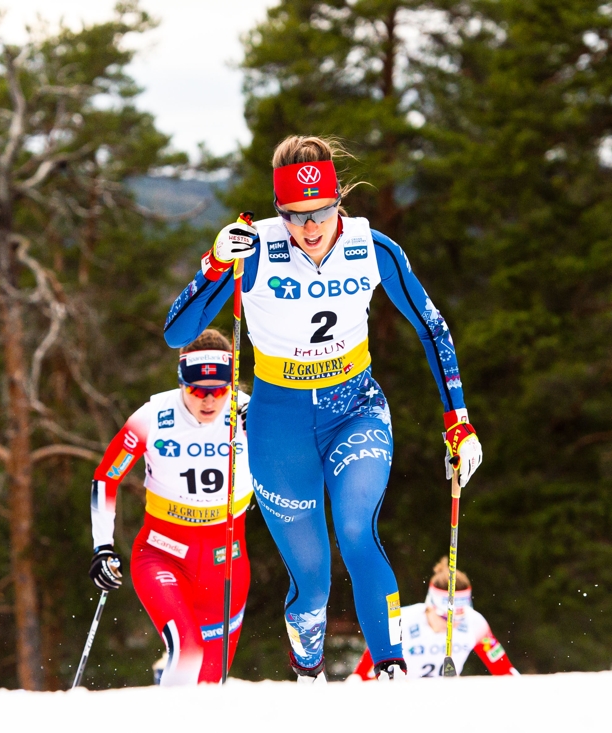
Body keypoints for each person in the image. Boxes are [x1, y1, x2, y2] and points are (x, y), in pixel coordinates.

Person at [164, 136, 482, 682]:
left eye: (323, 211)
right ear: (279, 211)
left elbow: (433, 327)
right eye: (295, 215)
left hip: (354, 409)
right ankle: (307, 666)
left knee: (357, 529)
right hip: (276, 426)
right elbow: (180, 332)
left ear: (340, 201)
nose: (311, 228)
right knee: (312, 579)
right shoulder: (255, 250)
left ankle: (391, 670)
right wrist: (215, 264)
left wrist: (458, 419)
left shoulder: (372, 247)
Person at [88, 329, 252, 686]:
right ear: (182, 382)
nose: (208, 401)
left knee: (210, 682)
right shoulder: (153, 416)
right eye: (197, 391)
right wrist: (103, 547)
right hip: (163, 556)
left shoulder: (248, 413)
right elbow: (106, 478)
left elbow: (296, 466)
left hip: (226, 566)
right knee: (188, 651)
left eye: (219, 391)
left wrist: (266, 434)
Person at [350, 558, 519, 679]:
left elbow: (504, 670)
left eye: (458, 617)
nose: (451, 624)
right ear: (430, 606)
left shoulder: (475, 623)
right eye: (445, 617)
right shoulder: (404, 620)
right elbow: (363, 674)